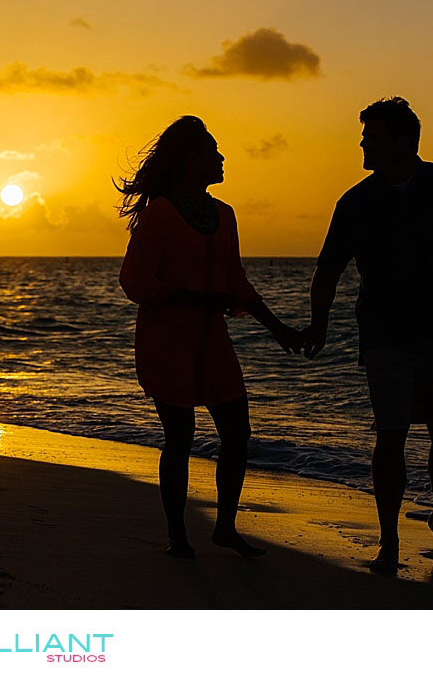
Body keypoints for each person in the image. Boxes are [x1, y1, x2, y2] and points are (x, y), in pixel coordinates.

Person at [299, 97, 433, 574]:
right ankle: (389, 541)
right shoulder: (356, 202)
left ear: (402, 141)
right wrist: (319, 323)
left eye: (372, 137)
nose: (363, 145)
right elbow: (328, 269)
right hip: (385, 333)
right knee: (391, 434)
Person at [117, 116, 299, 559]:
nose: (221, 158)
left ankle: (225, 528)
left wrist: (279, 328)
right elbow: (134, 281)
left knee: (238, 433)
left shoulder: (224, 215)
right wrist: (197, 299)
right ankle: (177, 535)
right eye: (212, 151)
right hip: (167, 343)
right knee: (180, 438)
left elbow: (236, 282)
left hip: (213, 343)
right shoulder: (159, 214)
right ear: (189, 159)